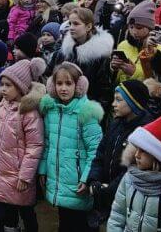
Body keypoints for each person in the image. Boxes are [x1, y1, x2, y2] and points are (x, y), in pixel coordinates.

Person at [0, 58, 46, 232]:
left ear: (21, 86)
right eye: (2, 84)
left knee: (25, 210)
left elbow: (34, 147)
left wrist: (25, 176)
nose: (3, 89)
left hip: (17, 176)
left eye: (9, 85)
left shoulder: (29, 113)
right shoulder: (0, 107)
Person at [38, 62, 104, 232]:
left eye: (69, 83)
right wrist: (43, 169)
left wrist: (86, 177)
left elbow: (95, 150)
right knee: (65, 220)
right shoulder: (51, 110)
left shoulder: (86, 112)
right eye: (59, 83)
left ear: (79, 85)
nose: (63, 88)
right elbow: (47, 144)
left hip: (78, 183)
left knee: (81, 223)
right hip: (58, 179)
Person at [87, 80, 154, 227]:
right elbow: (101, 154)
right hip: (105, 193)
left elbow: (133, 168)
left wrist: (109, 189)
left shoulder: (144, 131)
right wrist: (93, 180)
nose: (113, 104)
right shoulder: (115, 124)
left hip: (127, 199)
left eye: (118, 100)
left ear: (133, 103)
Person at [49, 7, 115, 116]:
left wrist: (92, 113)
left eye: (76, 24)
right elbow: (51, 77)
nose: (71, 27)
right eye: (70, 23)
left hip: (85, 113)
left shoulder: (100, 55)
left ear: (88, 26)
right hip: (61, 109)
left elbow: (104, 91)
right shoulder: (63, 52)